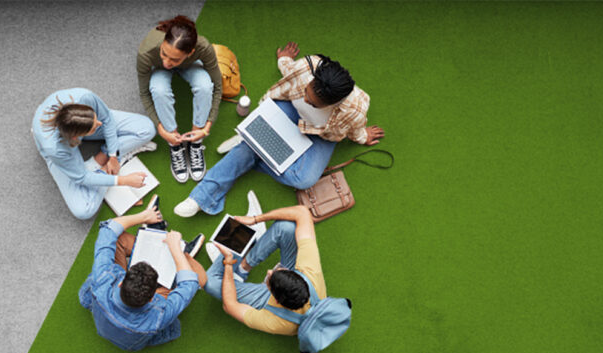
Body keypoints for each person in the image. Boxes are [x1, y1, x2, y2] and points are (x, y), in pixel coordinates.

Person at [173, 42, 386, 217]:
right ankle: (201, 197)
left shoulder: (355, 109)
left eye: (312, 103)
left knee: (303, 180)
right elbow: (289, 71)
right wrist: (283, 59)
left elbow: (355, 128)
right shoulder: (308, 67)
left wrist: (362, 136)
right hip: (286, 110)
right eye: (306, 92)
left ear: (333, 103)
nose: (305, 98)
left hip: (321, 134)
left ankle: (251, 146)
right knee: (254, 148)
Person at [78, 201, 208, 351]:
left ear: (121, 283)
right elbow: (191, 284)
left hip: (101, 309)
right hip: (136, 340)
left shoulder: (103, 278)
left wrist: (144, 216)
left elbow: (109, 229)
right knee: (200, 277)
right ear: (153, 297)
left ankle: (155, 237)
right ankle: (180, 252)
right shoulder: (158, 317)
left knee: (117, 240)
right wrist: (176, 249)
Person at [32, 88, 157, 220]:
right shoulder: (55, 149)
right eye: (94, 127)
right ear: (77, 137)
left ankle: (102, 158)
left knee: (147, 129)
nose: (100, 124)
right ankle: (104, 168)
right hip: (61, 148)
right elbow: (81, 177)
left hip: (76, 130)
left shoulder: (85, 97)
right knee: (84, 211)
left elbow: (107, 119)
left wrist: (113, 155)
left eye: (95, 119)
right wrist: (123, 180)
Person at [202, 205, 326, 337]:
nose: (269, 271)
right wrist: (255, 219)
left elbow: (230, 306)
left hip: (278, 307)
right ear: (299, 275)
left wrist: (228, 261)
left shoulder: (276, 322)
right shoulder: (310, 269)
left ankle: (239, 246)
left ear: (275, 300)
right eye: (279, 270)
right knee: (286, 227)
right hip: (294, 292)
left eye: (269, 281)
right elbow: (302, 212)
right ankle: (243, 269)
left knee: (210, 283)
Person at [136, 15, 223, 184]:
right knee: (158, 89)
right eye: (164, 53)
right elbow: (144, 93)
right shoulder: (147, 53)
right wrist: (162, 130)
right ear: (161, 45)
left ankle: (195, 140)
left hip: (190, 66)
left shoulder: (203, 47)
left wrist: (205, 129)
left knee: (205, 86)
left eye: (174, 59)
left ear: (190, 52)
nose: (168, 62)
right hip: (158, 70)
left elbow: (217, 87)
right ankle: (174, 143)